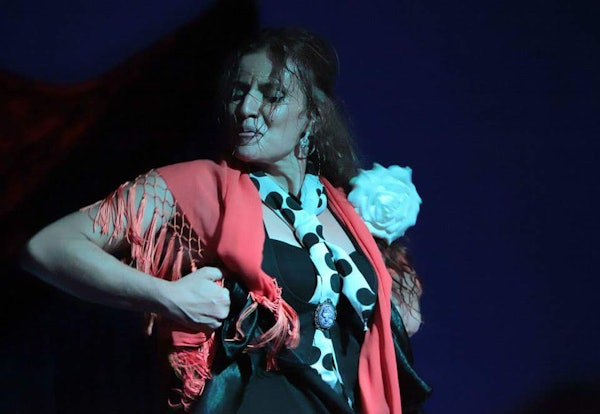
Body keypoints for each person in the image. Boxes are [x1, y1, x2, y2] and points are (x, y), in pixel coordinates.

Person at [22, 28, 430, 413]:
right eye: (239, 92)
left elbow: (385, 330)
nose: (247, 108)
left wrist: (394, 298)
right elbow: (48, 247)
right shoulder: (204, 186)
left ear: (314, 116)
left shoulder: (341, 209)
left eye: (271, 95)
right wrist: (167, 296)